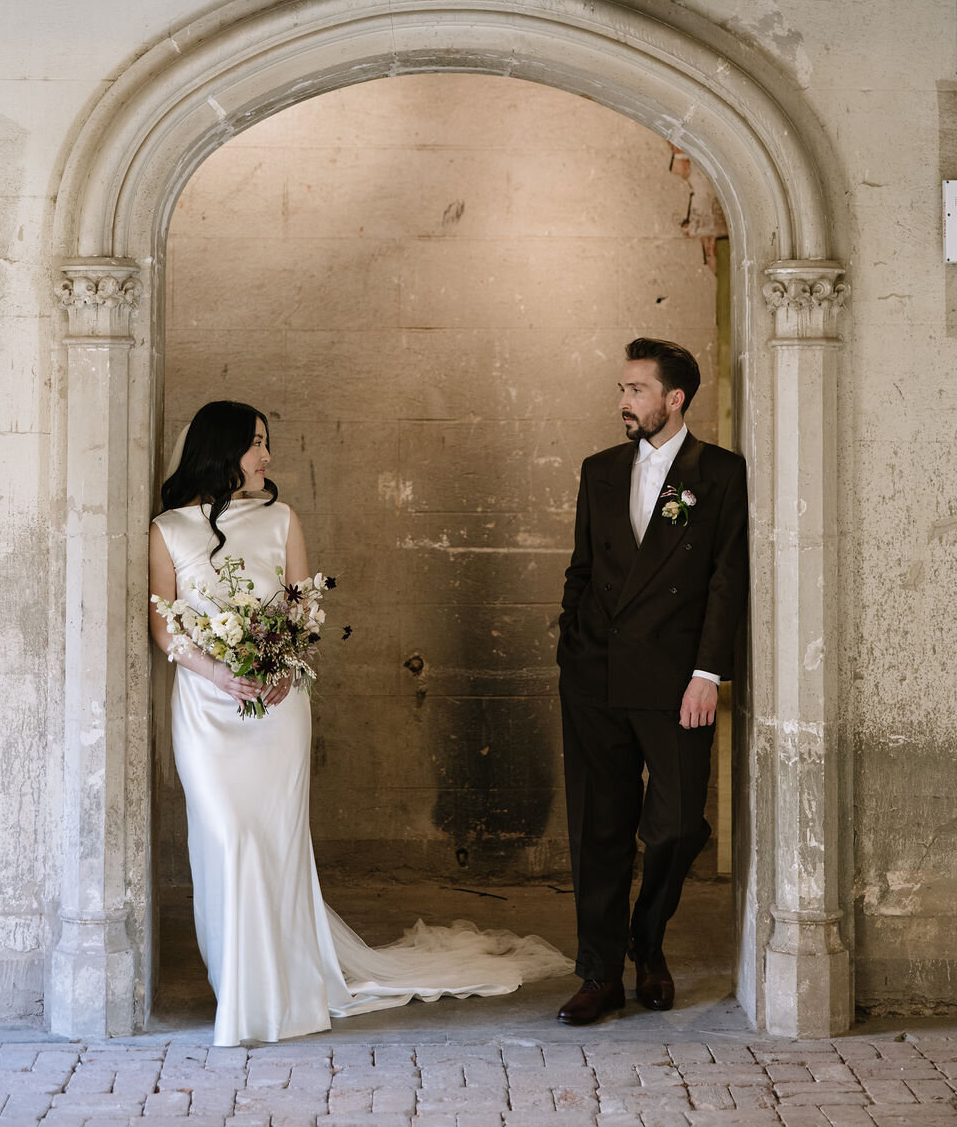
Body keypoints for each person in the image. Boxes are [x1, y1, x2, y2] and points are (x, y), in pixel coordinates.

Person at [150, 398, 571, 1046]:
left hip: (277, 708)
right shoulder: (168, 530)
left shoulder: (282, 519)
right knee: (225, 840)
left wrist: (289, 660)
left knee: (277, 845)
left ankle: (283, 990)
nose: (267, 456)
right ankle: (240, 990)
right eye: (257, 442)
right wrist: (218, 673)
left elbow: (301, 605)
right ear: (222, 448)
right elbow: (162, 625)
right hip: (207, 710)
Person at [554, 338, 748, 1025]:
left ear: (675, 399)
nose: (623, 402)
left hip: (675, 682)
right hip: (595, 679)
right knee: (599, 830)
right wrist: (569, 647)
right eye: (622, 389)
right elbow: (583, 569)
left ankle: (647, 938)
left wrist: (707, 675)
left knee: (672, 826)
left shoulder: (719, 472)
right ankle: (601, 974)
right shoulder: (599, 470)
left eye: (636, 390)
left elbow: (727, 580)